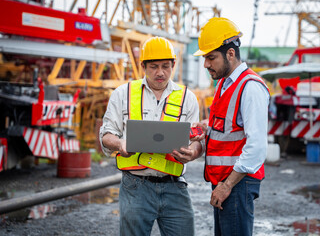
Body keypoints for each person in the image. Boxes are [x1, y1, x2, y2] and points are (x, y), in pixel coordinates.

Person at [99, 36, 203, 236]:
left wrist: (192, 153)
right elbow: (106, 135)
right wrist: (120, 143)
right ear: (143, 66)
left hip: (175, 186)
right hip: (135, 185)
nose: (160, 72)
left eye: (165, 66)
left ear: (173, 64)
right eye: (154, 66)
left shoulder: (187, 98)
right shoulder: (123, 94)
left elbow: (197, 143)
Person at [193, 17, 270, 236]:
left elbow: (256, 147)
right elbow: (230, 127)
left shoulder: (250, 87)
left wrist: (227, 185)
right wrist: (206, 128)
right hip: (224, 182)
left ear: (230, 54)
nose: (206, 64)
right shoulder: (225, 84)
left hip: (236, 184)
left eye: (211, 58)